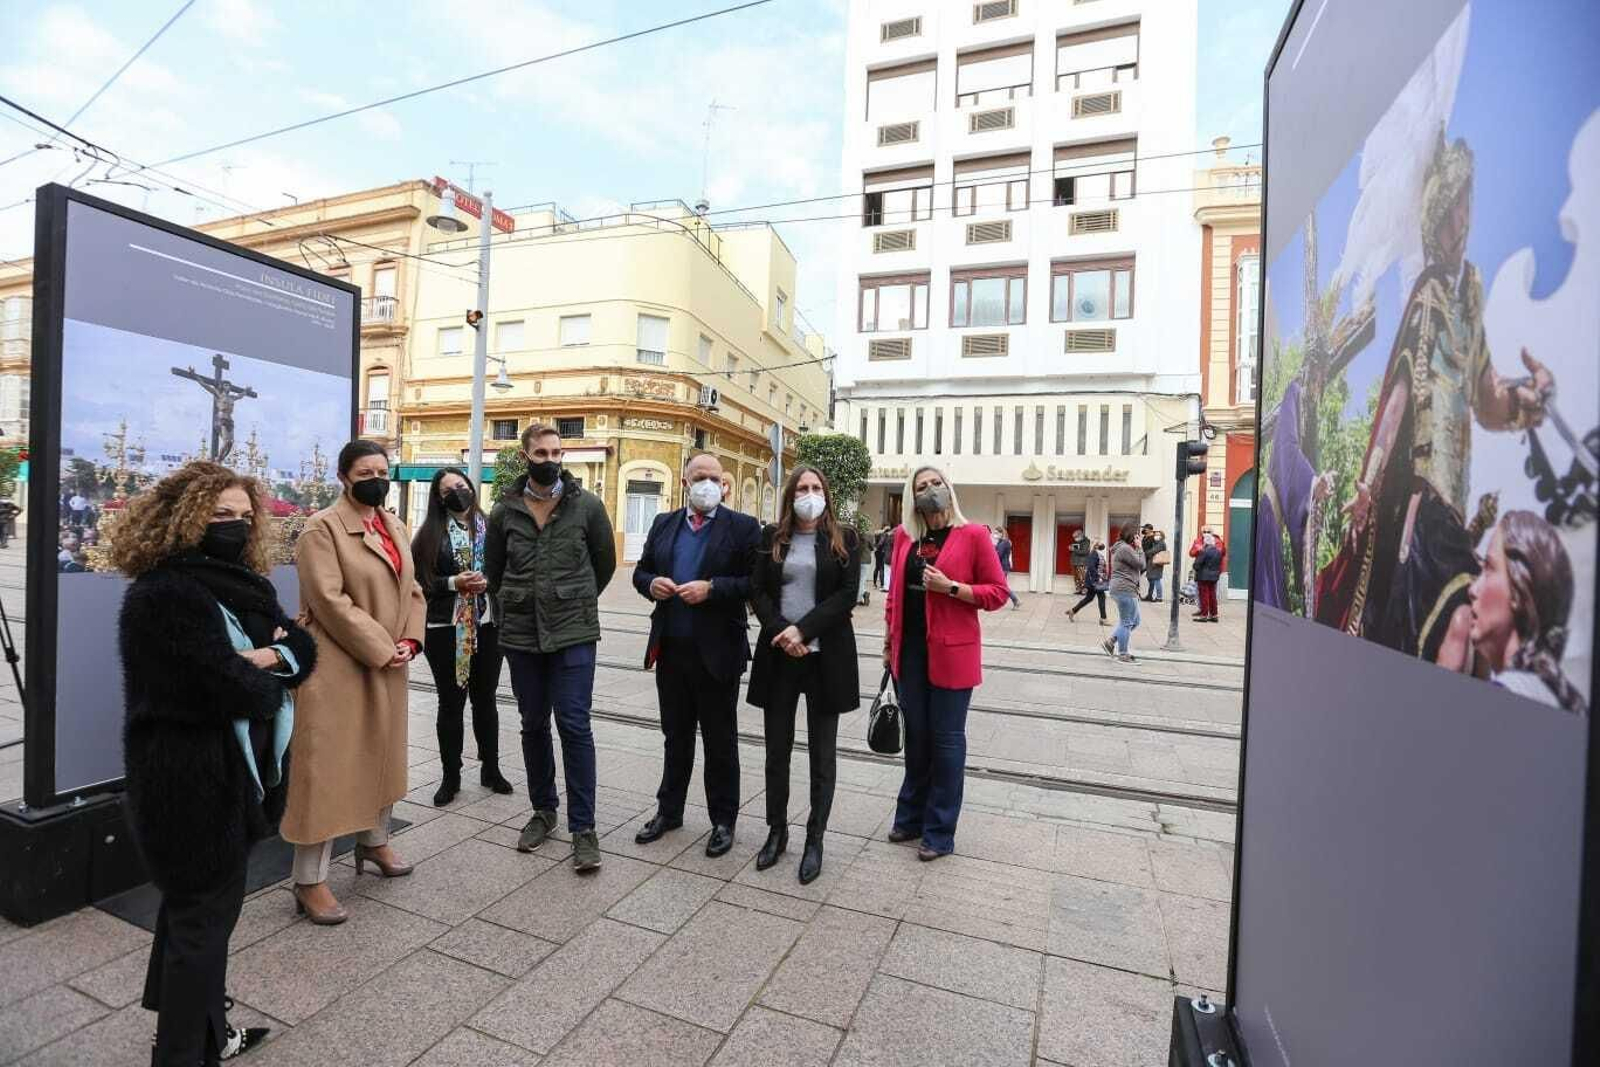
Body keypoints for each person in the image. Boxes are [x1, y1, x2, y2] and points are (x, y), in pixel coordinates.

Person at [1313, 131, 1555, 661]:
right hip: (1423, 506)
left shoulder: (1469, 294)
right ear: (1436, 218)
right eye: (1453, 210)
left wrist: (1527, 402)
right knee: (1456, 625)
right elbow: (1399, 392)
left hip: (1453, 506)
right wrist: (1369, 485)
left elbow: (1487, 398)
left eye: (1467, 208)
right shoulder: (1428, 295)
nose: (1462, 223)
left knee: (1464, 633)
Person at [114, 461, 317, 1064]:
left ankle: (202, 1031)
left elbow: (301, 651)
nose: (233, 525)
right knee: (203, 920)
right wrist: (268, 661)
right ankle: (179, 1052)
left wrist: (263, 657)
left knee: (198, 915)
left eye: (242, 516)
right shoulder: (164, 593)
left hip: (234, 776)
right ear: (184, 519)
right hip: (190, 783)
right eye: (218, 515)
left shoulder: (241, 583)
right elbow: (228, 688)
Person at [281, 441, 425, 924]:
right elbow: (327, 600)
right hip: (340, 664)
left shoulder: (395, 525)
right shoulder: (321, 528)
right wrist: (384, 647)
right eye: (366, 471)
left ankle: (374, 843)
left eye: (382, 470)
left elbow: (415, 589)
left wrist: (410, 639)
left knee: (381, 757)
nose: (376, 478)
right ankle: (309, 880)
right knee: (326, 773)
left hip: (387, 661)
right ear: (344, 477)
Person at [486, 424, 617, 872]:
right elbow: (494, 571)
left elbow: (605, 565)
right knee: (532, 723)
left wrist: (571, 600)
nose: (550, 459)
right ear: (526, 457)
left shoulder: (588, 507)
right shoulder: (504, 511)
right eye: (541, 452)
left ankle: (585, 829)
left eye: (557, 452)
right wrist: (517, 606)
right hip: (521, 635)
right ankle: (543, 810)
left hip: (573, 633)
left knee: (575, 725)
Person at [632, 452, 760, 857]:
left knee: (721, 742)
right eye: (699, 477)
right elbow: (641, 571)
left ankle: (723, 820)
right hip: (671, 649)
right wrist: (650, 584)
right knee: (676, 737)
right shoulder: (664, 523)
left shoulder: (742, 528)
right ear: (685, 483)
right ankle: (669, 811)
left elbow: (755, 583)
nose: (707, 484)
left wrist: (713, 588)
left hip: (718, 652)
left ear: (724, 484)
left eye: (714, 478)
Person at [883, 466, 1008, 861]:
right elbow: (894, 597)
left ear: (949, 490)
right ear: (912, 496)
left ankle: (939, 832)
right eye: (922, 487)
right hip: (911, 653)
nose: (930, 490)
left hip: (953, 653)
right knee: (916, 739)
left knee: (947, 742)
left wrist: (952, 588)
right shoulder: (905, 537)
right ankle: (910, 817)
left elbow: (998, 593)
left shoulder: (973, 535)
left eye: (936, 484)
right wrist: (888, 644)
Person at [746, 467, 860, 883]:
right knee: (776, 751)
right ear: (790, 495)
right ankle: (777, 831)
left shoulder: (844, 539)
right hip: (780, 656)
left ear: (825, 495)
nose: (809, 495)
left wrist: (804, 629)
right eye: (801, 489)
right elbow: (756, 590)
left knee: (822, 756)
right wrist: (782, 632)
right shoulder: (772, 536)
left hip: (824, 658)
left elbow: (847, 594)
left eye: (815, 489)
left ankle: (816, 838)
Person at [412, 468, 512, 807]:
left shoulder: (491, 528)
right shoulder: (428, 535)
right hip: (445, 629)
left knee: (486, 700)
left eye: (461, 484)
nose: (457, 491)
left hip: (487, 623)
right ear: (439, 498)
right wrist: (456, 583)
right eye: (448, 489)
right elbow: (419, 583)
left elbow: (507, 570)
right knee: (451, 702)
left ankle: (491, 768)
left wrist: (491, 584)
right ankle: (450, 776)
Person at [1437, 510, 1584, 712]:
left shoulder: (1501, 701)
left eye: (1489, 568)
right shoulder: (1547, 695)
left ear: (1519, 590)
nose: (1472, 589)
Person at [1104, 526, 1146, 663]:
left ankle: (1110, 642)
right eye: (1136, 536)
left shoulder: (1121, 548)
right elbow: (1141, 564)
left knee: (1135, 621)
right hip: (1124, 588)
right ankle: (1123, 654)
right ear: (1131, 536)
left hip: (1125, 588)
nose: (1137, 539)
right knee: (1127, 622)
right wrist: (1140, 548)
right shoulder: (1125, 548)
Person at [1067, 540, 1109, 625]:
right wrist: (1098, 577)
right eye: (1100, 543)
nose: (1102, 544)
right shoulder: (1093, 553)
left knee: (1089, 598)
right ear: (1096, 545)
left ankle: (1073, 610)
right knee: (1102, 597)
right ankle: (1103, 619)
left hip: (1094, 581)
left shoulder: (1097, 553)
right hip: (1094, 581)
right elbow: (1091, 567)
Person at [1191, 530, 1224, 623]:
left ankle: (1204, 615)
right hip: (1214, 576)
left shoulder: (1204, 551)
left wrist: (1196, 567)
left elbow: (1196, 565)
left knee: (1204, 596)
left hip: (1203, 576)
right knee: (1212, 595)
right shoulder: (1218, 552)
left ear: (1206, 542)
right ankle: (1214, 615)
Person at [993, 526, 1021, 609]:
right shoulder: (1001, 542)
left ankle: (1016, 600)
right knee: (1001, 585)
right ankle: (1014, 600)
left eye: (996, 533)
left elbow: (999, 554)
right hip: (1003, 567)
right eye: (994, 533)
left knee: (1002, 585)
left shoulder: (1004, 543)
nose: (995, 535)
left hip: (1003, 567)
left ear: (1001, 534)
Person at [1144, 529, 1169, 602]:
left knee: (1157, 580)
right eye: (1155, 535)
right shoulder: (1156, 543)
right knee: (1151, 581)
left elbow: (1153, 551)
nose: (1156, 536)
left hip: (1157, 565)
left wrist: (1146, 553)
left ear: (1162, 536)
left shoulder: (1161, 543)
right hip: (1153, 564)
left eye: (1158, 535)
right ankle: (1149, 595)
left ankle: (1159, 597)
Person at [1069, 528, 1090, 592]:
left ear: (1080, 535)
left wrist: (1074, 549)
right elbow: (1075, 551)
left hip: (1081, 562)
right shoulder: (1076, 542)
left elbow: (1085, 552)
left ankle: (1084, 590)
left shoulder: (1086, 542)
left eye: (1076, 537)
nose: (1075, 538)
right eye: (1074, 537)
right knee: (1076, 577)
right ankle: (1078, 589)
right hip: (1075, 562)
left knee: (1082, 577)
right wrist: (1071, 549)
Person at [872, 525, 891, 590]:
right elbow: (881, 543)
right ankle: (882, 584)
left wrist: (876, 548)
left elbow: (876, 543)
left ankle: (874, 583)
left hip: (877, 552)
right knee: (881, 568)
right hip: (881, 553)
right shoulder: (885, 535)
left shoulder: (877, 533)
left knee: (877, 568)